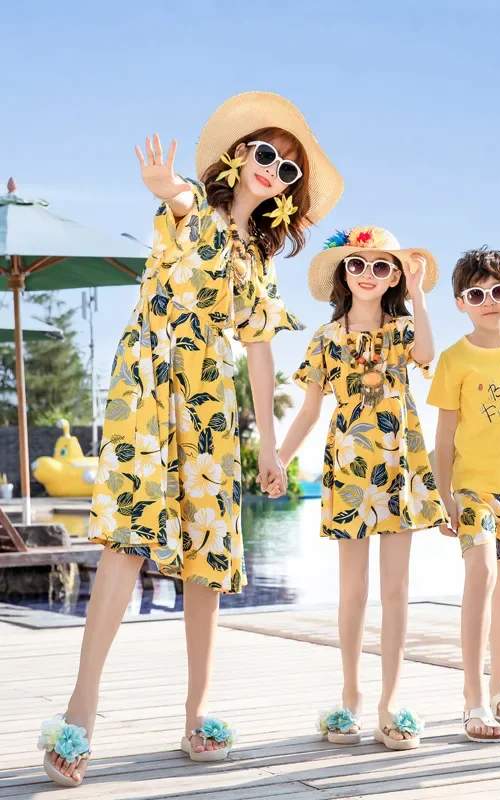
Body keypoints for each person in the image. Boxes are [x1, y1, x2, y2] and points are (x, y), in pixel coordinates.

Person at [37, 92, 343, 787]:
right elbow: (178, 197)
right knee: (126, 542)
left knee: (206, 553)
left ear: (290, 195)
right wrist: (164, 185)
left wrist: (271, 446)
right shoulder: (193, 213)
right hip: (146, 387)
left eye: (289, 171)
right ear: (239, 156)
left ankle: (196, 709)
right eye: (267, 155)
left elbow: (259, 355)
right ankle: (79, 714)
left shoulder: (260, 264)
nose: (274, 171)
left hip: (210, 408)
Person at [273, 225, 446, 751]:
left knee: (396, 592)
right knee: (353, 592)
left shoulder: (401, 329)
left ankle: (390, 703)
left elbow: (425, 354)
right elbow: (307, 411)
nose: (368, 273)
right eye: (357, 263)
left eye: (380, 265)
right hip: (349, 466)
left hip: (401, 463)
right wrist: (279, 457)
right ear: (341, 274)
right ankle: (349, 696)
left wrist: (417, 293)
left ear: (393, 275)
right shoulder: (324, 340)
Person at [429, 247, 500, 743]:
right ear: (461, 303)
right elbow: (444, 437)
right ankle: (472, 697)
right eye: (477, 294)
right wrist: (443, 497)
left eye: (498, 291)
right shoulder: (454, 361)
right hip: (471, 487)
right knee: (483, 571)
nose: (489, 301)